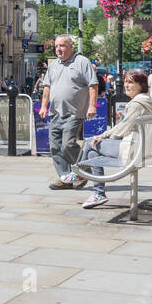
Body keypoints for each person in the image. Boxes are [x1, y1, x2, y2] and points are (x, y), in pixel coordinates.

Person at [75, 70, 152, 209]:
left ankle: (79, 173)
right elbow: (127, 125)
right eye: (125, 82)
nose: (126, 85)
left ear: (141, 85)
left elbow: (122, 129)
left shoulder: (136, 104)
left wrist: (104, 135)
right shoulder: (148, 101)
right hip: (149, 148)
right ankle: (98, 193)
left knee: (89, 142)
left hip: (134, 150)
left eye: (131, 82)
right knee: (93, 154)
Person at [39, 34, 100, 190]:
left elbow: (93, 85)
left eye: (62, 45)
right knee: (55, 147)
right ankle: (65, 178)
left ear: (71, 46)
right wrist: (44, 106)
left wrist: (92, 106)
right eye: (57, 46)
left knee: (67, 145)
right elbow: (47, 87)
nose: (59, 49)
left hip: (74, 112)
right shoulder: (54, 65)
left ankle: (84, 168)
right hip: (55, 113)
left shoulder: (82, 62)